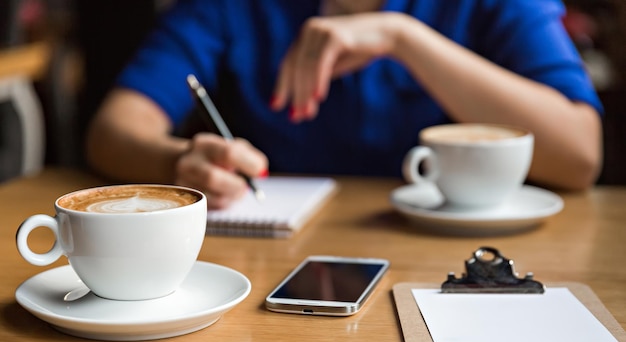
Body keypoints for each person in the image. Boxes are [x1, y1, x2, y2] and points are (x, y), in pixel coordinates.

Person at [85, 0, 603, 209]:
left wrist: (404, 39)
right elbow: (113, 129)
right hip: (274, 258)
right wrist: (174, 162)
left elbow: (578, 155)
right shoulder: (230, 7)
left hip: (447, 260)